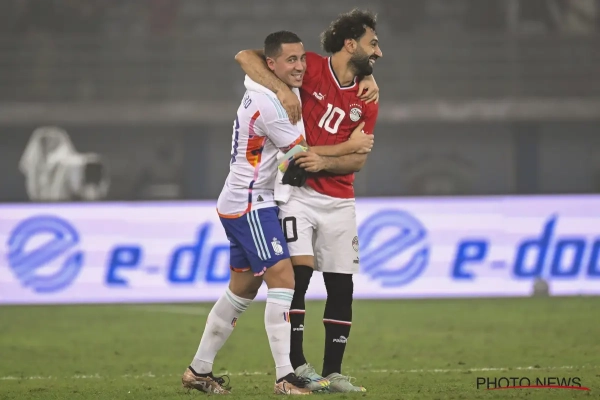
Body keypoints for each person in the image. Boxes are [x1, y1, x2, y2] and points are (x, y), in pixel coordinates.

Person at [181, 30, 374, 396]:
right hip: (251, 202)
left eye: (302, 58)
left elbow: (250, 60)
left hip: (242, 200)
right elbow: (300, 158)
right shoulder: (270, 104)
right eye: (291, 60)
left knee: (241, 290)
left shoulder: (264, 88)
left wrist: (366, 75)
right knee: (284, 280)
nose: (300, 66)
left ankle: (198, 370)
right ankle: (286, 377)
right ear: (271, 64)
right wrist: (352, 145)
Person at [235, 8, 382, 393]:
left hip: (341, 200)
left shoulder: (367, 96)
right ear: (350, 44)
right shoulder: (310, 67)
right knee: (298, 278)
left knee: (342, 287)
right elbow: (246, 57)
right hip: (297, 195)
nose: (378, 52)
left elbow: (359, 158)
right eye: (373, 43)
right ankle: (298, 365)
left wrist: (322, 158)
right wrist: (283, 89)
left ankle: (334, 373)